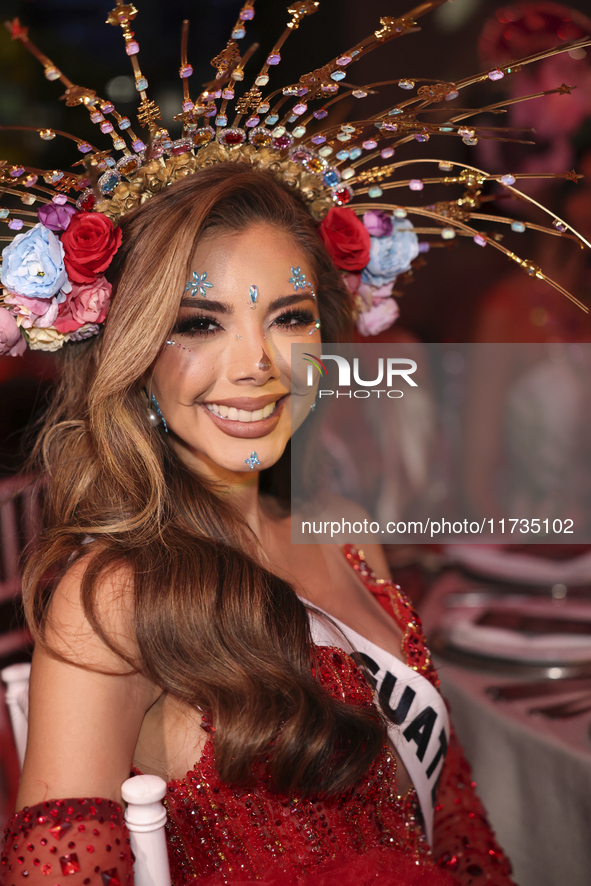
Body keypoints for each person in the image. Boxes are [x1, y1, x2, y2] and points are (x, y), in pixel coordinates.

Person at [0, 164, 514, 885]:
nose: (258, 365)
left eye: (290, 316)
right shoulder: (115, 598)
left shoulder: (345, 532)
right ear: (134, 353)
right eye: (199, 324)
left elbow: (447, 818)